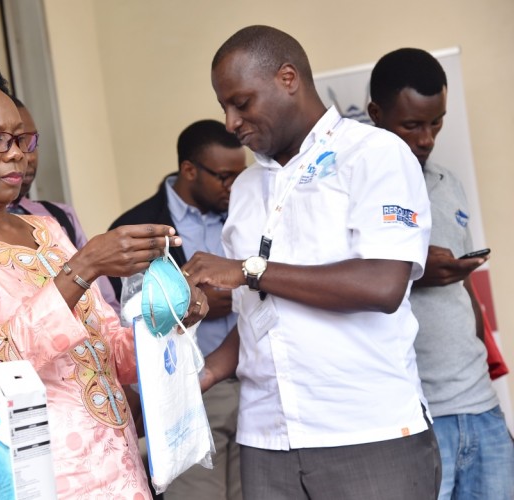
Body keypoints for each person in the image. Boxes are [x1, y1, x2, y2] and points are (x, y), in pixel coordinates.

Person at [0, 58, 208, 499]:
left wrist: (171, 315)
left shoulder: (44, 230)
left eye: (21, 138)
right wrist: (84, 268)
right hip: (40, 480)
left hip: (120, 473)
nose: (16, 152)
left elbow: (110, 353)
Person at [183, 26, 441, 499]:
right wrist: (204, 373)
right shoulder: (244, 191)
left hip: (367, 434)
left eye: (241, 102)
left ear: (287, 78)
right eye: (224, 106)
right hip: (264, 440)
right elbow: (262, 316)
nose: (230, 121)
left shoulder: (374, 155)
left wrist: (248, 269)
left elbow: (383, 284)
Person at [368, 47, 514, 500]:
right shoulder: (355, 189)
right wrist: (410, 268)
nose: (427, 137)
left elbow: (467, 289)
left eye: (437, 122)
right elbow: (345, 284)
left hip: (480, 405)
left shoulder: (450, 183)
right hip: (414, 413)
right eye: (412, 125)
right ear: (375, 114)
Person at [109, 119, 245, 500]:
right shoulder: (136, 228)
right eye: (224, 177)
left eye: (240, 175)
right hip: (189, 390)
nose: (235, 187)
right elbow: (128, 321)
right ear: (189, 170)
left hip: (252, 380)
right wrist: (188, 305)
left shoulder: (246, 215)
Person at [8, 97, 119, 311]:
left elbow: (108, 305)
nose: (25, 156)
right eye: (1, 142)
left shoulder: (59, 215)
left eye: (29, 142)